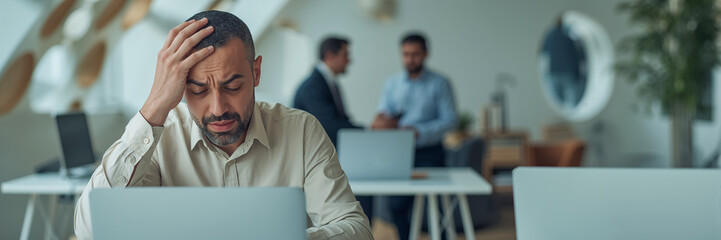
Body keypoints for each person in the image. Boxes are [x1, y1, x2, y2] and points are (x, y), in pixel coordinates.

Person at [73, 11, 371, 240]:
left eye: (232, 85)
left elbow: (357, 229)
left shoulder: (301, 131)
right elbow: (91, 229)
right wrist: (154, 106)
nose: (218, 109)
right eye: (199, 90)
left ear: (255, 72)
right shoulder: (159, 138)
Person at [372, 32, 457, 240]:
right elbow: (383, 113)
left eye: (415, 54)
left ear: (426, 54)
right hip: (399, 153)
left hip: (430, 152)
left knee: (437, 207)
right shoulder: (392, 84)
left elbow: (449, 121)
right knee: (397, 205)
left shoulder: (440, 83)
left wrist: (419, 133)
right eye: (406, 54)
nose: (410, 59)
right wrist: (384, 121)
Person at [293, 37, 374, 225]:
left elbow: (341, 121)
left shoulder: (327, 83)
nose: (349, 60)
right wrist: (370, 129)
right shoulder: (313, 86)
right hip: (314, 164)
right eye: (346, 55)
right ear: (330, 56)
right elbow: (330, 125)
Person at [541, 15, 587, 110]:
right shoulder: (570, 34)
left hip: (555, 71)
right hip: (568, 72)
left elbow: (543, 52)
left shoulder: (550, 35)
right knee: (571, 101)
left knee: (559, 102)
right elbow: (579, 54)